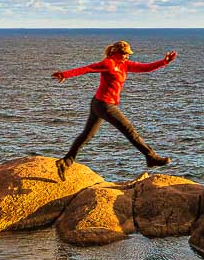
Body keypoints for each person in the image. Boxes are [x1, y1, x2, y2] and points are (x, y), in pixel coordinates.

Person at [52, 40, 177, 168]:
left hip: (99, 103)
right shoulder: (109, 63)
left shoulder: (125, 64)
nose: (127, 56)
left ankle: (66, 160)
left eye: (128, 54)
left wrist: (165, 62)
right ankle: (151, 157)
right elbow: (87, 69)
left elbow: (144, 67)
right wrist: (65, 74)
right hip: (104, 105)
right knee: (129, 130)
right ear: (117, 52)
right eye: (125, 54)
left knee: (87, 135)